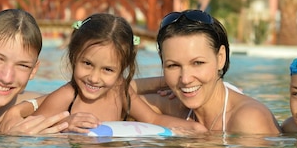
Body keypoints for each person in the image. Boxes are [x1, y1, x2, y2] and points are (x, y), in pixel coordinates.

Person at [27, 13, 207, 134]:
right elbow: (25, 131)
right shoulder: (66, 97)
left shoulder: (120, 90)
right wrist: (65, 126)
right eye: (87, 64)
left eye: (107, 69)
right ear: (74, 57)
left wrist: (194, 128)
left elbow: (152, 118)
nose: (94, 78)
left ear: (123, 69)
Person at [137, 9, 281, 135]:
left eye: (198, 63)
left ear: (220, 58)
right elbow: (118, 92)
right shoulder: (174, 106)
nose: (185, 78)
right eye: (173, 66)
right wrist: (164, 84)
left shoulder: (248, 120)